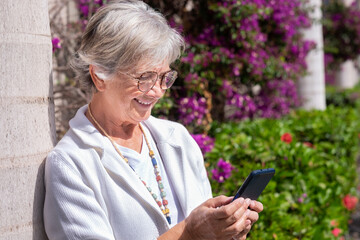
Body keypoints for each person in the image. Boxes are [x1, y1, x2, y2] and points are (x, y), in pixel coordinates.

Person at [43, 0, 263, 239]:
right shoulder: (70, 164)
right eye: (144, 78)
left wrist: (228, 232)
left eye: (164, 77)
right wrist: (189, 233)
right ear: (99, 76)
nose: (157, 91)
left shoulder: (176, 138)